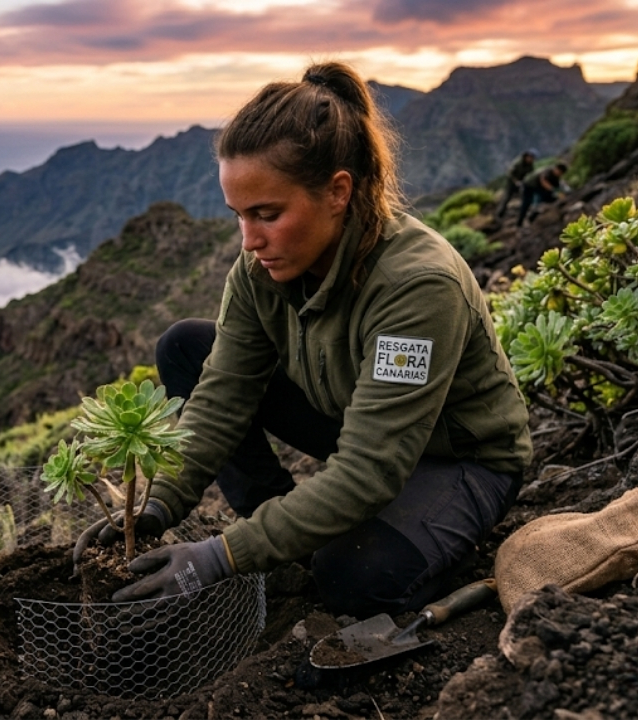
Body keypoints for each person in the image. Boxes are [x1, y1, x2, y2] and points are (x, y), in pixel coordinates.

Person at [74, 62, 532, 618]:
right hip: (359, 421)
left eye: (267, 214)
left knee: (350, 580)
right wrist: (155, 505)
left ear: (338, 192)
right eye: (240, 216)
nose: (250, 240)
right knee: (186, 348)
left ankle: (353, 540)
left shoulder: (418, 286)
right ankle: (283, 526)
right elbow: (222, 398)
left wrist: (222, 557)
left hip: (457, 458)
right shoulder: (260, 270)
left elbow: (370, 469)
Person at [516, 162, 568, 227]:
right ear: (556, 169)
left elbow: (557, 186)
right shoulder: (548, 172)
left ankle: (532, 217)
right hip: (529, 185)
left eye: (561, 173)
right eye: (559, 172)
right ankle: (520, 222)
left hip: (538, 187)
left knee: (546, 199)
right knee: (526, 203)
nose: (559, 174)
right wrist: (555, 191)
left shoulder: (556, 177)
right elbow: (544, 182)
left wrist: (560, 193)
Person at [496, 150, 537, 218]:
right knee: (507, 196)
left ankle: (523, 212)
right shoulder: (518, 163)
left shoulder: (530, 165)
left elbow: (530, 175)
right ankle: (500, 213)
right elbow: (510, 173)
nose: (531, 159)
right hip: (512, 181)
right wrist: (515, 181)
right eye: (530, 157)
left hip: (521, 182)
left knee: (524, 195)